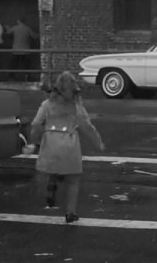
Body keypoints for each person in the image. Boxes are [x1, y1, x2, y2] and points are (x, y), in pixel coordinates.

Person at [28, 71, 105, 224]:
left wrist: (34, 140)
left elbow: (36, 124)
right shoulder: (76, 107)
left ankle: (53, 179)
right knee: (73, 181)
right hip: (69, 143)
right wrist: (98, 144)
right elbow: (87, 127)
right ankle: (71, 212)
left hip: (50, 142)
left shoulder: (47, 105)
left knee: (53, 167)